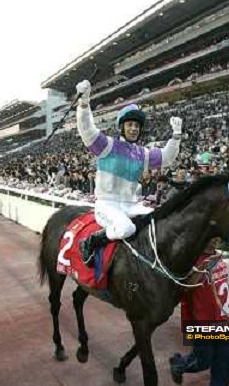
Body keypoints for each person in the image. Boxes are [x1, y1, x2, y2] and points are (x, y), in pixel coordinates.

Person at [75, 79, 183, 264]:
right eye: (130, 125)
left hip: (131, 205)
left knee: (159, 223)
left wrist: (176, 136)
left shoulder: (143, 153)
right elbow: (87, 129)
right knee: (126, 229)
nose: (134, 128)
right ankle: (91, 241)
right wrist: (84, 104)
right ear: (122, 127)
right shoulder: (107, 145)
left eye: (137, 126)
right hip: (107, 205)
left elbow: (167, 157)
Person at [169, 237, 229, 386]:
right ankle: (178, 364)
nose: (212, 241)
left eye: (216, 238)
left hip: (223, 318)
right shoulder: (193, 259)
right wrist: (203, 266)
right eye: (209, 237)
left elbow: (219, 280)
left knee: (224, 360)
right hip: (203, 320)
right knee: (202, 361)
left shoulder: (218, 256)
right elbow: (187, 287)